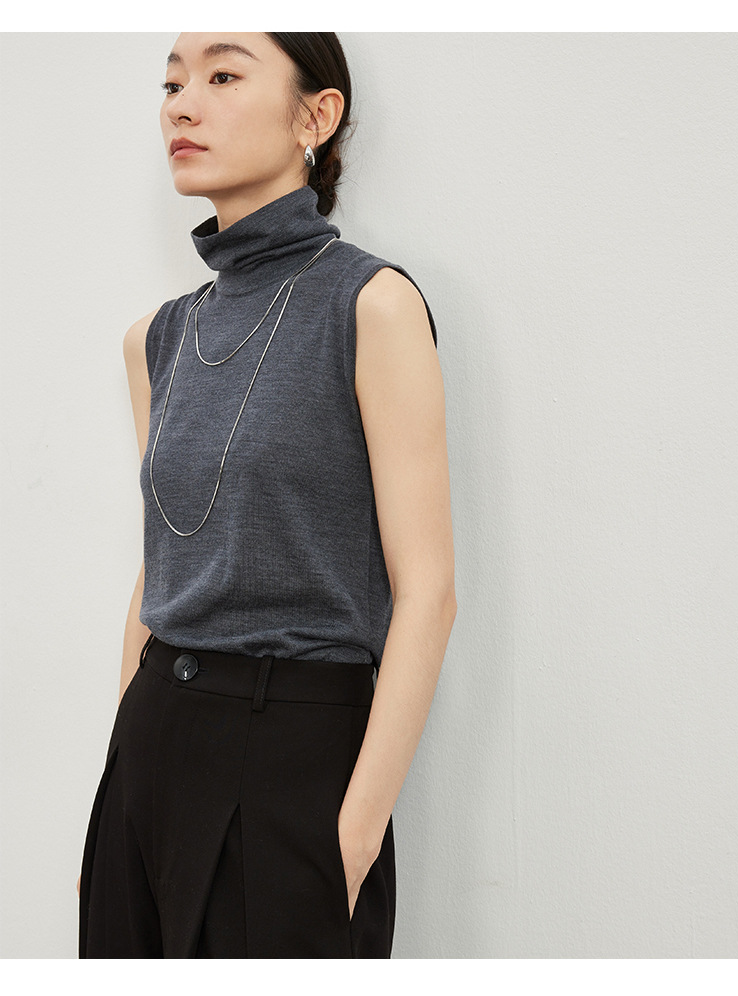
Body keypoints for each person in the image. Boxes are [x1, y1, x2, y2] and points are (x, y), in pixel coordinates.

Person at [76, 32, 456, 959]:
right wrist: (121, 766)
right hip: (152, 749)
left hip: (293, 760)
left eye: (222, 75)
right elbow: (160, 565)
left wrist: (355, 830)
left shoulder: (371, 304)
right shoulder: (156, 339)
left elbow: (428, 591)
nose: (181, 104)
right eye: (171, 82)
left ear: (315, 117)